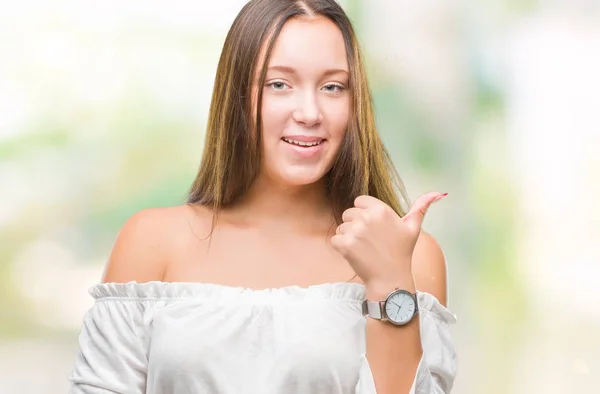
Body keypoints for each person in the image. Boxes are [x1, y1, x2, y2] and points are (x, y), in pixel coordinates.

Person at [68, 0, 458, 393]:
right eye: (279, 84)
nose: (309, 112)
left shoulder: (412, 256)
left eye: (332, 86)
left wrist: (389, 282)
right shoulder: (153, 240)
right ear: (235, 95)